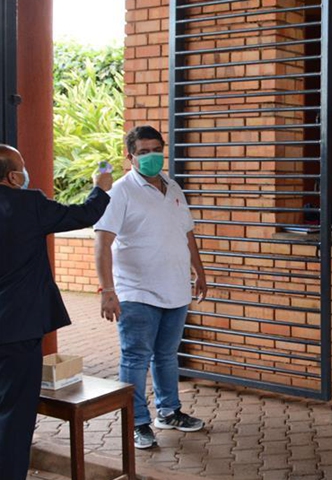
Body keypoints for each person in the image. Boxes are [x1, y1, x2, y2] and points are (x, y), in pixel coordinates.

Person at [0, 144, 112, 480]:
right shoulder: (28, 205)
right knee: (14, 415)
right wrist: (100, 187)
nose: (26, 173)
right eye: (23, 167)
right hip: (17, 328)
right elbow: (83, 214)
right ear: (13, 177)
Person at [94, 125, 208, 449]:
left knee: (166, 356)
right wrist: (107, 290)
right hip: (137, 292)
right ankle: (137, 422)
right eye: (143, 152)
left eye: (156, 149)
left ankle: (169, 412)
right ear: (129, 156)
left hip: (175, 289)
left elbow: (187, 233)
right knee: (135, 359)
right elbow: (102, 242)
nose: (151, 156)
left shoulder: (173, 187)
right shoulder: (120, 192)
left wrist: (199, 271)